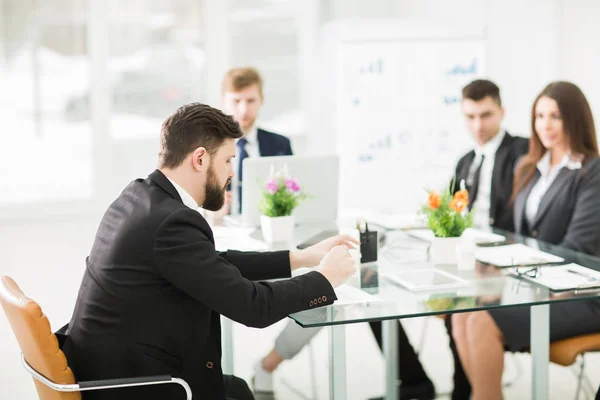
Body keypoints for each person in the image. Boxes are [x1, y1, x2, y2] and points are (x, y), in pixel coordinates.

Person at [61, 103, 359, 400]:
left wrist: (302, 257)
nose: (232, 173)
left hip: (107, 371)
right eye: (228, 160)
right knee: (237, 391)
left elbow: (212, 265)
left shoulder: (140, 196)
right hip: (134, 386)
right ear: (200, 159)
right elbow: (253, 307)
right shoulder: (170, 222)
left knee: (238, 390)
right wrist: (325, 278)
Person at [452, 81, 600, 400]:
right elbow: (520, 234)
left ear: (575, 119)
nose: (545, 125)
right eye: (539, 116)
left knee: (478, 319)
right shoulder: (529, 167)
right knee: (460, 313)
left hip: (578, 295)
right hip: (533, 284)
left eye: (556, 116)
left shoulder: (592, 172)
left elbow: (578, 247)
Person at [221, 67, 293, 214]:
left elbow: (291, 195)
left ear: (262, 100)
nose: (243, 109)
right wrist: (211, 213)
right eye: (236, 101)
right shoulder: (210, 147)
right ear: (224, 101)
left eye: (250, 100)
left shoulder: (281, 145)